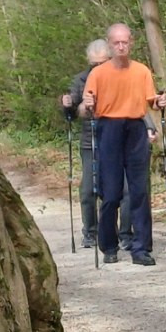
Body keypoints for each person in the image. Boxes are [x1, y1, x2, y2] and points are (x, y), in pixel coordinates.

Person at [81, 23, 166, 266]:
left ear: (131, 43)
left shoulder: (141, 71)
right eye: (116, 42)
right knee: (110, 193)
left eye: (125, 42)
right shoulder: (98, 74)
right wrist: (86, 103)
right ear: (109, 45)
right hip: (108, 127)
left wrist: (161, 102)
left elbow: (152, 102)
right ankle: (109, 245)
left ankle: (141, 248)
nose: (121, 46)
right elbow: (85, 106)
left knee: (140, 190)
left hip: (135, 128)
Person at [61, 38, 128, 249]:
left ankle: (124, 233)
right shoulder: (81, 80)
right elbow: (71, 110)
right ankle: (91, 231)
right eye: (94, 64)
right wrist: (69, 104)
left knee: (124, 190)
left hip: (119, 140)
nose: (98, 68)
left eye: (102, 63)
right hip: (91, 141)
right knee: (89, 190)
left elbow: (135, 105)